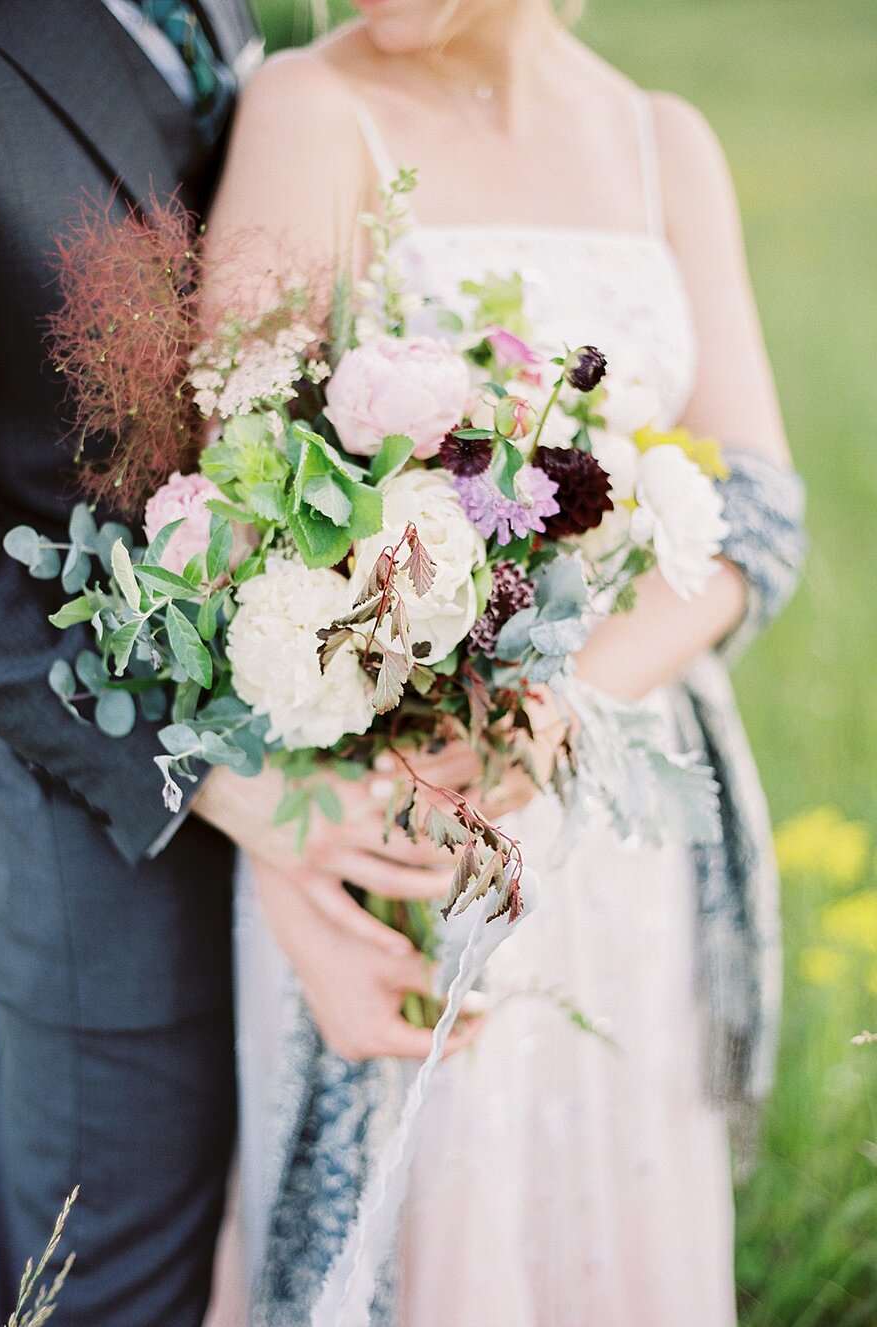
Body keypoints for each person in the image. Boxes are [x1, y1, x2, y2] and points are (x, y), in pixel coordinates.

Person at [197, 1, 806, 1324]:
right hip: (393, 812)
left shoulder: (664, 143)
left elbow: (759, 510)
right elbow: (232, 503)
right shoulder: (308, 105)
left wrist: (560, 700)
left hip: (615, 828)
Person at [0, 3, 467, 1324]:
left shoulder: (242, 18)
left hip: (340, 801)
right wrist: (202, 769)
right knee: (112, 1293)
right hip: (109, 852)